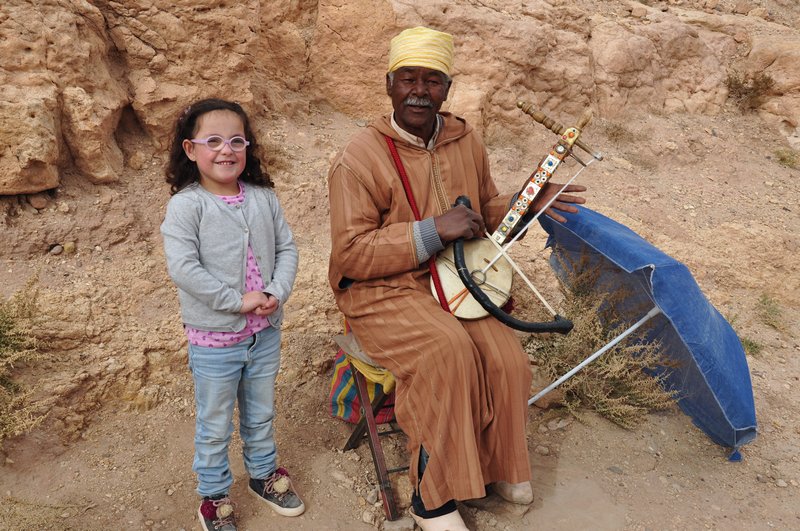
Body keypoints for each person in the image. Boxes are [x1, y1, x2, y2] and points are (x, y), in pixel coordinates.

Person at [327, 27, 586, 530]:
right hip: (380, 290)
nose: (419, 90)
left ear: (448, 87)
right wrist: (429, 231)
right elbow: (352, 253)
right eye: (408, 79)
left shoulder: (464, 138)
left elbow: (483, 210)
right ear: (389, 84)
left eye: (433, 80)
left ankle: (497, 470)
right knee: (447, 352)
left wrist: (523, 202)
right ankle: (434, 499)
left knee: (507, 359)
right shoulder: (358, 156)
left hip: (455, 278)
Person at [160, 98, 303, 531]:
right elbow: (184, 268)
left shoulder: (263, 197)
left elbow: (287, 249)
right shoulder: (187, 206)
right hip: (215, 342)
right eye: (214, 141)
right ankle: (214, 495)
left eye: (236, 140)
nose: (226, 150)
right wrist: (238, 301)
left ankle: (263, 475)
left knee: (260, 413)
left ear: (248, 146)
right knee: (215, 422)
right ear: (190, 150)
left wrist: (276, 291)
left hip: (265, 335)